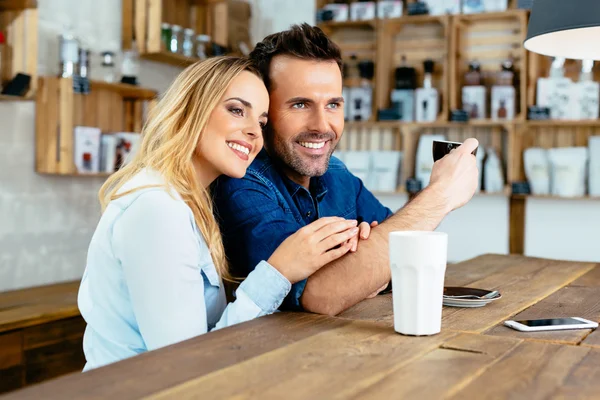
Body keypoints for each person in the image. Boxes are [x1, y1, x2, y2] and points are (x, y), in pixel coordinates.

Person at [77, 56, 362, 371]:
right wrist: (278, 272)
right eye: (237, 110)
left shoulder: (188, 203)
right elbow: (186, 366)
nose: (254, 132)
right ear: (191, 110)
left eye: (262, 122)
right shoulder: (157, 210)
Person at [213, 24, 479, 316]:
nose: (321, 126)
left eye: (333, 104)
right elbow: (321, 294)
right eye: (300, 104)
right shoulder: (242, 182)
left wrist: (368, 264)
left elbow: (401, 253)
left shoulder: (336, 174)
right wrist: (440, 195)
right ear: (265, 113)